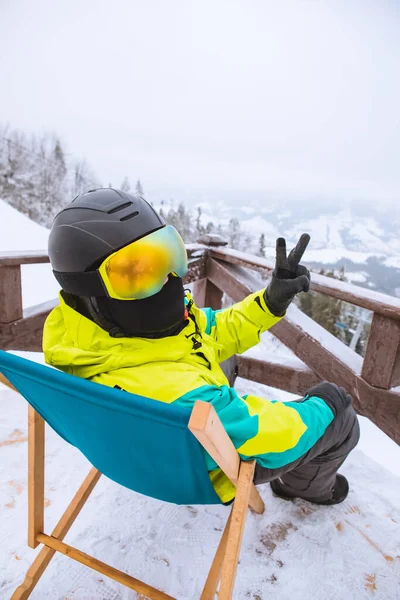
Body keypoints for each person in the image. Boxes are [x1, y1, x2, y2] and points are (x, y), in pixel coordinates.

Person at [43, 188, 359, 505]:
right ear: (89, 291)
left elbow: (210, 332)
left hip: (132, 453)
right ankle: (304, 487)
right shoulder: (188, 397)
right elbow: (271, 437)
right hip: (206, 469)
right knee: (341, 414)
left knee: (222, 356)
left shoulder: (83, 339)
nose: (169, 280)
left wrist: (269, 303)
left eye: (168, 256)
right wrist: (325, 405)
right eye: (135, 272)